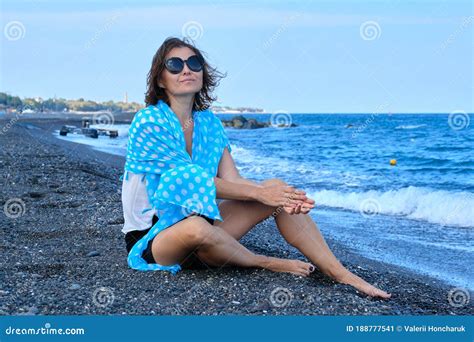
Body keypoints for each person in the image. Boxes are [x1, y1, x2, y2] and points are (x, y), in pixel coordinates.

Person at [122, 37, 391, 299]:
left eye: (194, 62)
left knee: (275, 188)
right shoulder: (149, 121)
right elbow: (185, 182)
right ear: (160, 78)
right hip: (156, 240)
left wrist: (279, 194)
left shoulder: (209, 123)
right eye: (175, 65)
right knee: (197, 227)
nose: (187, 70)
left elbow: (233, 180)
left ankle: (339, 272)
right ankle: (264, 261)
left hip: (207, 231)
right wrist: (261, 193)